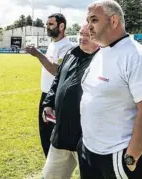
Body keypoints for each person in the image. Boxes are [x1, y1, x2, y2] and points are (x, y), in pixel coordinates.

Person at [78, 0, 142, 179]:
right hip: (89, 149)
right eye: (88, 20)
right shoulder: (101, 52)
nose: (88, 26)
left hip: (116, 155)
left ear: (113, 21)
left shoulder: (137, 57)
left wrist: (130, 158)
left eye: (94, 20)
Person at [40, 24, 99, 179]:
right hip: (61, 133)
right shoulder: (71, 53)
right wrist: (48, 103)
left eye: (88, 35)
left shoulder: (103, 60)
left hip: (87, 138)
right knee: (49, 176)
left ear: (99, 37)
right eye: (81, 33)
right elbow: (57, 80)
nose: (82, 38)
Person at [25, 13, 73, 158]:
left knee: (53, 136)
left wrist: (38, 54)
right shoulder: (53, 44)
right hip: (45, 95)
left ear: (61, 26)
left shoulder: (67, 47)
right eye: (47, 24)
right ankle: (49, 168)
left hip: (55, 98)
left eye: (51, 24)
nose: (47, 27)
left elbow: (56, 70)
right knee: (44, 134)